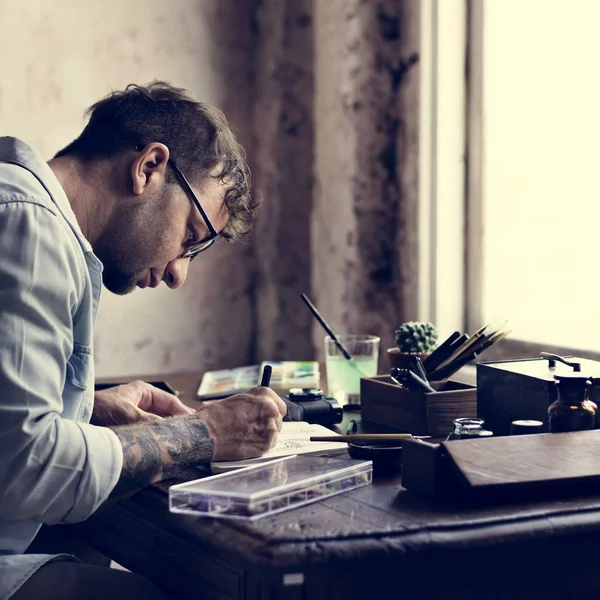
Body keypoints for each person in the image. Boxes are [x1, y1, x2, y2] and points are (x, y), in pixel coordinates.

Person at [0, 81, 286, 600]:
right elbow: (24, 467)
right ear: (149, 167)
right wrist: (203, 434)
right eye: (191, 238)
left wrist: (82, 410)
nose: (179, 273)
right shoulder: (27, 226)